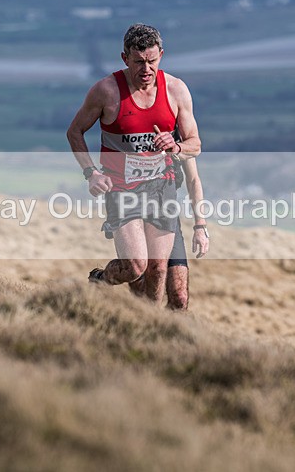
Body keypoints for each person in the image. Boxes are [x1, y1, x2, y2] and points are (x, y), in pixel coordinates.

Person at [67, 23, 201, 304]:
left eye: (152, 61)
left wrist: (175, 147)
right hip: (122, 190)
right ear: (125, 58)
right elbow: (75, 131)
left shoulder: (176, 90)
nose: (146, 69)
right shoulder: (106, 90)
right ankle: (100, 280)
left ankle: (148, 323)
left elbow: (195, 144)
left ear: (161, 55)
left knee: (158, 268)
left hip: (161, 188)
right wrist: (91, 173)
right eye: (139, 62)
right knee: (135, 266)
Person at [162, 157, 210, 310]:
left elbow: (194, 179)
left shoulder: (180, 136)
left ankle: (167, 333)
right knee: (144, 290)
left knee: (180, 298)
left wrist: (200, 226)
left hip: (167, 217)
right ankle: (102, 279)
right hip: (133, 214)